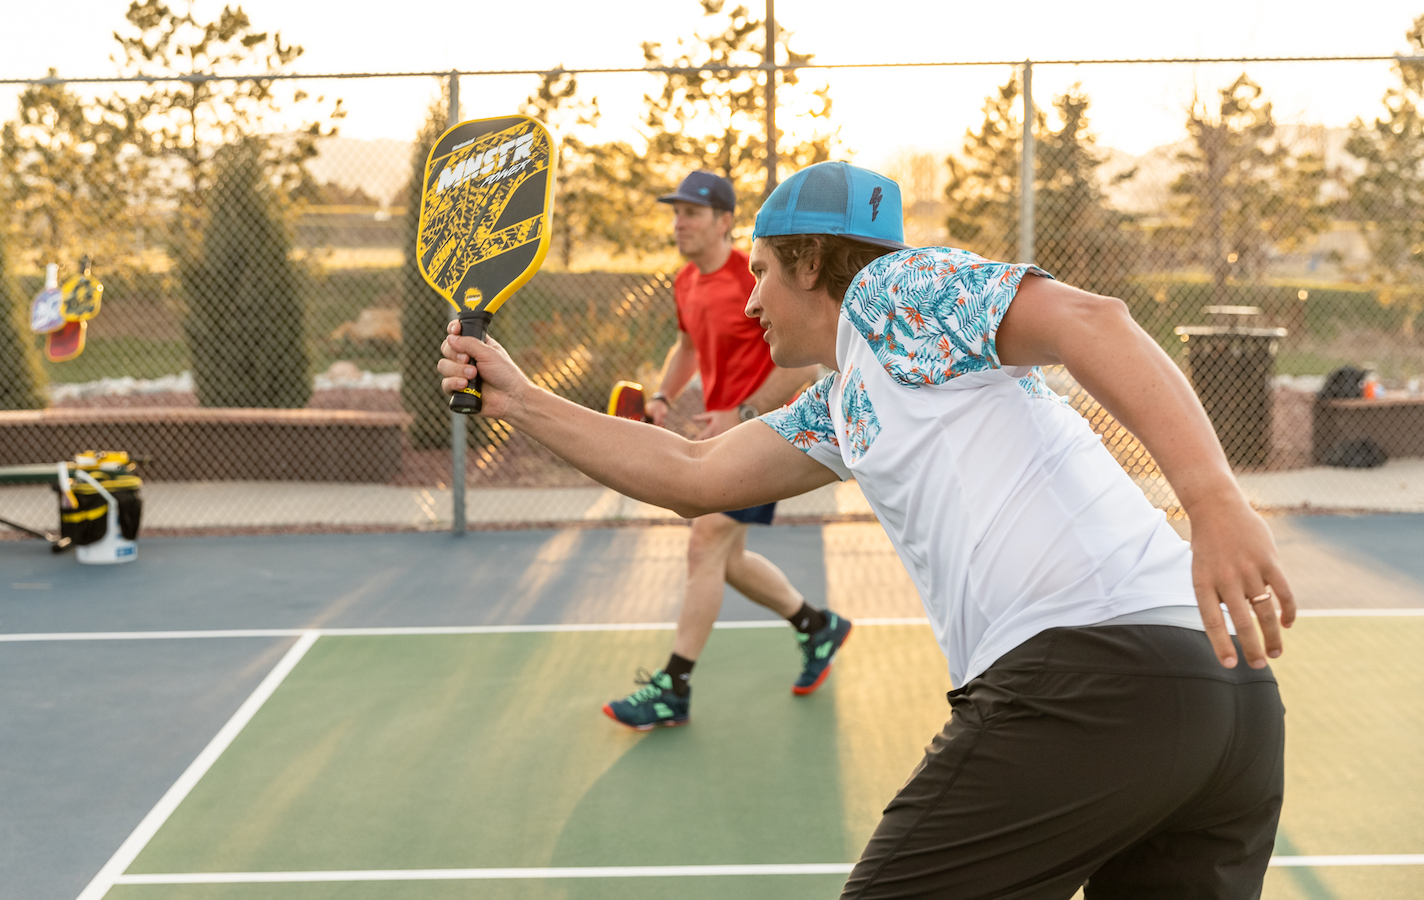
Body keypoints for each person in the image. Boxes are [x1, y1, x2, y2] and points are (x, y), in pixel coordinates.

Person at [440, 160, 1294, 897]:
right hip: (1229, 699)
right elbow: (693, 477)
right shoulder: (852, 397)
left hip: (1090, 680)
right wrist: (519, 398)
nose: (750, 298)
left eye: (764, 268)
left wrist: (1213, 498)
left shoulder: (895, 294)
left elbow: (1092, 320)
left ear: (814, 262)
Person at [599, 171, 850, 732]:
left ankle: (675, 688)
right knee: (725, 560)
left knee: (706, 545)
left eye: (692, 212)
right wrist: (665, 394)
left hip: (764, 434)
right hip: (722, 442)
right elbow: (688, 343)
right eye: (676, 212)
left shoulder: (756, 275)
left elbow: (807, 366)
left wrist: (744, 412)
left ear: (723, 222)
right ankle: (816, 625)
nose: (679, 222)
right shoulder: (686, 281)